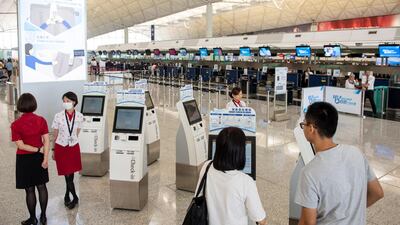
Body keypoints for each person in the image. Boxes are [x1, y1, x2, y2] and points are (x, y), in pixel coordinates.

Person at [295, 102, 384, 225]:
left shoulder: (309, 173)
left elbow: (308, 222)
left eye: (303, 124)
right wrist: (351, 212)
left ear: (311, 128)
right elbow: (377, 193)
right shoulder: (356, 153)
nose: (303, 127)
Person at [195, 127, 267, 225]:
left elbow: (198, 196)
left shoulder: (206, 167)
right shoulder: (245, 182)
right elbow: (260, 219)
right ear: (239, 153)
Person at [11, 93, 50, 225]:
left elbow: (20, 145)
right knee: (42, 187)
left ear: (20, 105)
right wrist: (45, 158)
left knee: (29, 190)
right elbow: (46, 140)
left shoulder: (16, 124)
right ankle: (43, 216)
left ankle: (32, 218)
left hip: (23, 159)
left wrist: (36, 149)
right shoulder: (41, 120)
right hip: (39, 158)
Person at [52, 92, 84, 209]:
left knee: (70, 175)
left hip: (73, 147)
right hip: (61, 146)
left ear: (74, 102)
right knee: (67, 174)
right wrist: (53, 149)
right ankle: (75, 197)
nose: (65, 103)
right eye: (64, 101)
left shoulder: (80, 116)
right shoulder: (58, 116)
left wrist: (72, 138)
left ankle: (67, 194)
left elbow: (77, 132)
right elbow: (55, 134)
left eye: (68, 101)